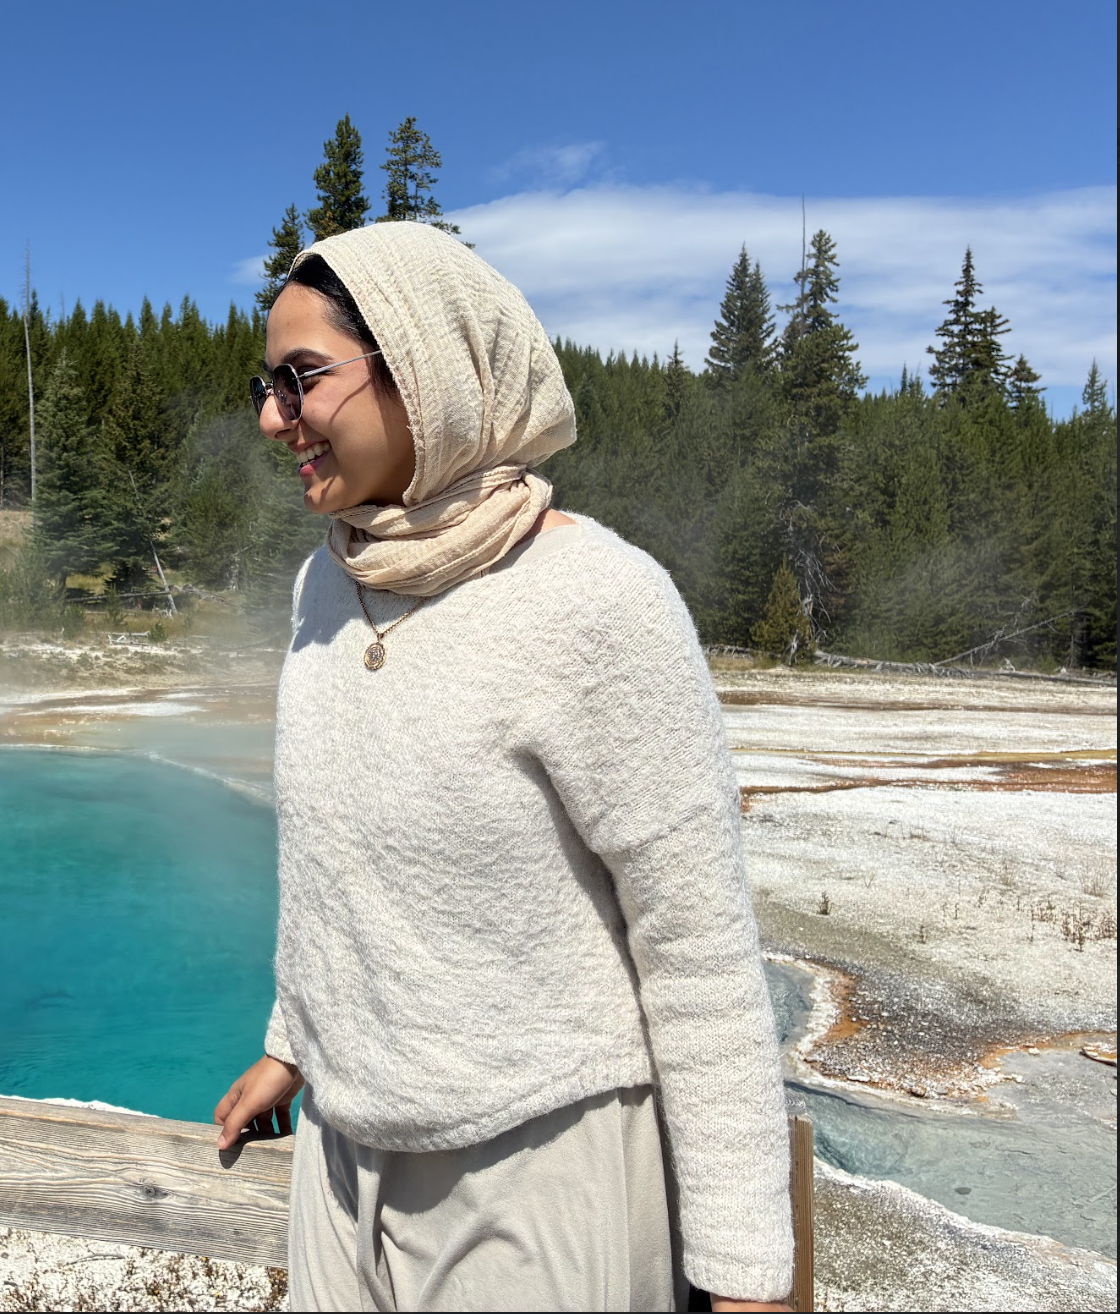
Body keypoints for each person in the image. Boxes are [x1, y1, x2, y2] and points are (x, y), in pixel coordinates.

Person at [213, 222, 791, 1312]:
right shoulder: (325, 583)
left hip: (540, 1164)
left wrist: (745, 1271)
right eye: (266, 384)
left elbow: (698, 948)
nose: (270, 418)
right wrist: (292, 1041)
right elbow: (337, 859)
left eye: (300, 381)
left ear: (424, 371)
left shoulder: (594, 599)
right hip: (344, 1150)